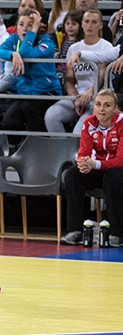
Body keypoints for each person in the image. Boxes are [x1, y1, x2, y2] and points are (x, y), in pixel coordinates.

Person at [61, 89, 123, 246]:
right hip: (99, 168)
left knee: (112, 177)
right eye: (98, 105)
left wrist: (95, 164)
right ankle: (75, 230)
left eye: (107, 105)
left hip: (118, 170)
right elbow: (84, 153)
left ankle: (117, 233)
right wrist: (83, 164)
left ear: (115, 109)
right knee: (73, 175)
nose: (101, 109)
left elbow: (120, 160)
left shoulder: (121, 123)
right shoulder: (89, 123)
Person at [45, 9, 118, 134]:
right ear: (82, 24)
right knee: (51, 116)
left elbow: (102, 76)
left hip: (98, 97)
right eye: (87, 21)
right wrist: (75, 97)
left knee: (79, 131)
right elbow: (69, 78)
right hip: (78, 96)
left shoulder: (106, 46)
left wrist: (89, 93)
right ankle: (65, 151)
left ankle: (78, 153)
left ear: (100, 25)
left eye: (94, 22)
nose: (90, 25)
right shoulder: (74, 48)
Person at [0, 10, 62, 141]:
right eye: (21, 24)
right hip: (24, 94)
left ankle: (41, 144)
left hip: (47, 93)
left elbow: (25, 53)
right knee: (9, 122)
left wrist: (33, 31)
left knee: (28, 108)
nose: (25, 28)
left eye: (30, 25)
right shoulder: (14, 39)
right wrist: (13, 54)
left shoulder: (47, 43)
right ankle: (14, 151)